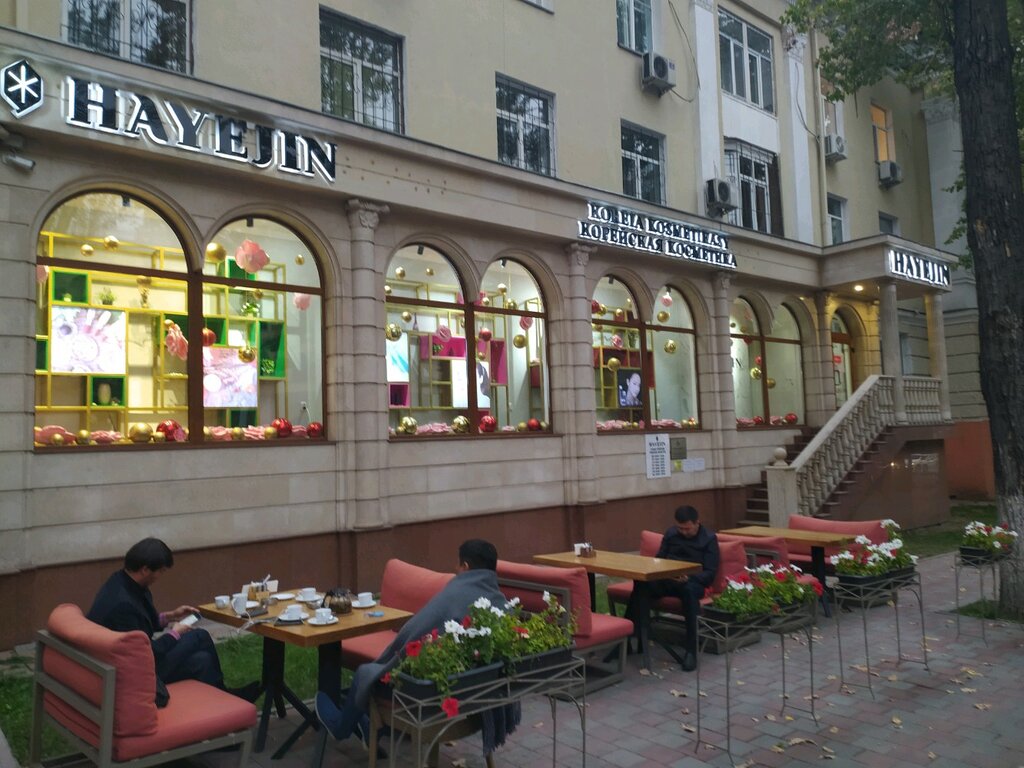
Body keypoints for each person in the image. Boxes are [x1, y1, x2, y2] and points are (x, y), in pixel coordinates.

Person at [315, 539, 508, 748]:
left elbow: (412, 634)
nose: (455, 569)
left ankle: (341, 728)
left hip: (429, 694)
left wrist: (387, 661)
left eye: (458, 565)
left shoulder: (454, 595)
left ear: (466, 567)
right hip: (476, 692)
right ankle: (366, 724)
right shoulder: (500, 601)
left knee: (367, 673)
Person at [87, 537, 257, 704]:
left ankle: (225, 699)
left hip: (135, 660)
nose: (160, 576)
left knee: (203, 660)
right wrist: (175, 633)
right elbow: (147, 652)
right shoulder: (122, 604)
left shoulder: (123, 582)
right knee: (200, 636)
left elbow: (141, 624)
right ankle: (227, 697)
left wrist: (170, 616)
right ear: (145, 570)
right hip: (136, 671)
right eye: (161, 571)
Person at [638, 506, 719, 671]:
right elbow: (660, 559)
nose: (683, 532)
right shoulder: (671, 534)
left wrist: (690, 577)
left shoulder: (709, 539)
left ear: (697, 523)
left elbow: (710, 573)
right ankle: (634, 634)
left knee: (689, 593)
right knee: (641, 585)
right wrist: (663, 572)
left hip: (693, 583)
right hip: (668, 579)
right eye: (680, 528)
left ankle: (691, 651)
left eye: (687, 529)